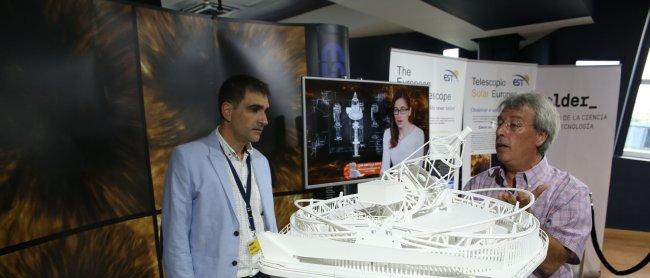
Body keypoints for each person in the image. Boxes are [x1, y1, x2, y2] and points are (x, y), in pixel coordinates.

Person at [463, 93, 591, 278]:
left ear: (540, 136)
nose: (500, 131)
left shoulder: (571, 192)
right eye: (500, 123)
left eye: (514, 125)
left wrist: (525, 222)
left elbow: (551, 264)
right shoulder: (478, 184)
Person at [162, 75, 277, 278]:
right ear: (228, 111)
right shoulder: (188, 159)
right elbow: (175, 241)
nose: (264, 120)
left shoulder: (261, 162)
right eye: (254, 109)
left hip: (263, 272)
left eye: (265, 111)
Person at [381, 91, 425, 173]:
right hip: (393, 182)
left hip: (412, 182)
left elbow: (418, 168)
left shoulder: (418, 134)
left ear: (409, 111)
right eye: (396, 110)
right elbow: (384, 169)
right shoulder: (388, 133)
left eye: (403, 110)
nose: (399, 115)